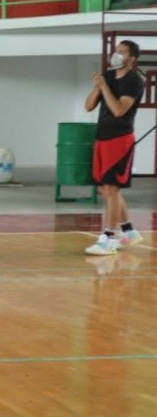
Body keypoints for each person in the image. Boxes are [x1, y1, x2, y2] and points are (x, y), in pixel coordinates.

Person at [84, 39, 145, 255]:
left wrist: (104, 88)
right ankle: (128, 232)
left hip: (120, 139)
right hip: (102, 137)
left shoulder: (134, 81)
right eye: (116, 51)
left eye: (122, 52)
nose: (116, 55)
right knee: (105, 188)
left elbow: (118, 109)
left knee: (111, 188)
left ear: (132, 58)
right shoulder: (108, 77)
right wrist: (98, 86)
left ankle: (108, 237)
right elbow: (89, 106)